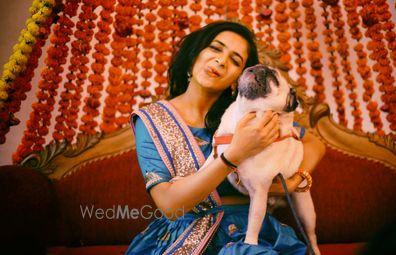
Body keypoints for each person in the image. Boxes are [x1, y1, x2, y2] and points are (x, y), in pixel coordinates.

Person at [126, 21, 325, 255]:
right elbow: (170, 206)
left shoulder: (244, 113)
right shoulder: (152, 120)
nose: (221, 61)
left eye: (235, 60)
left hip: (251, 231)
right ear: (194, 54)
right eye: (215, 48)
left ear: (238, 79)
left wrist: (292, 181)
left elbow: (314, 143)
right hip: (186, 234)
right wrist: (233, 155)